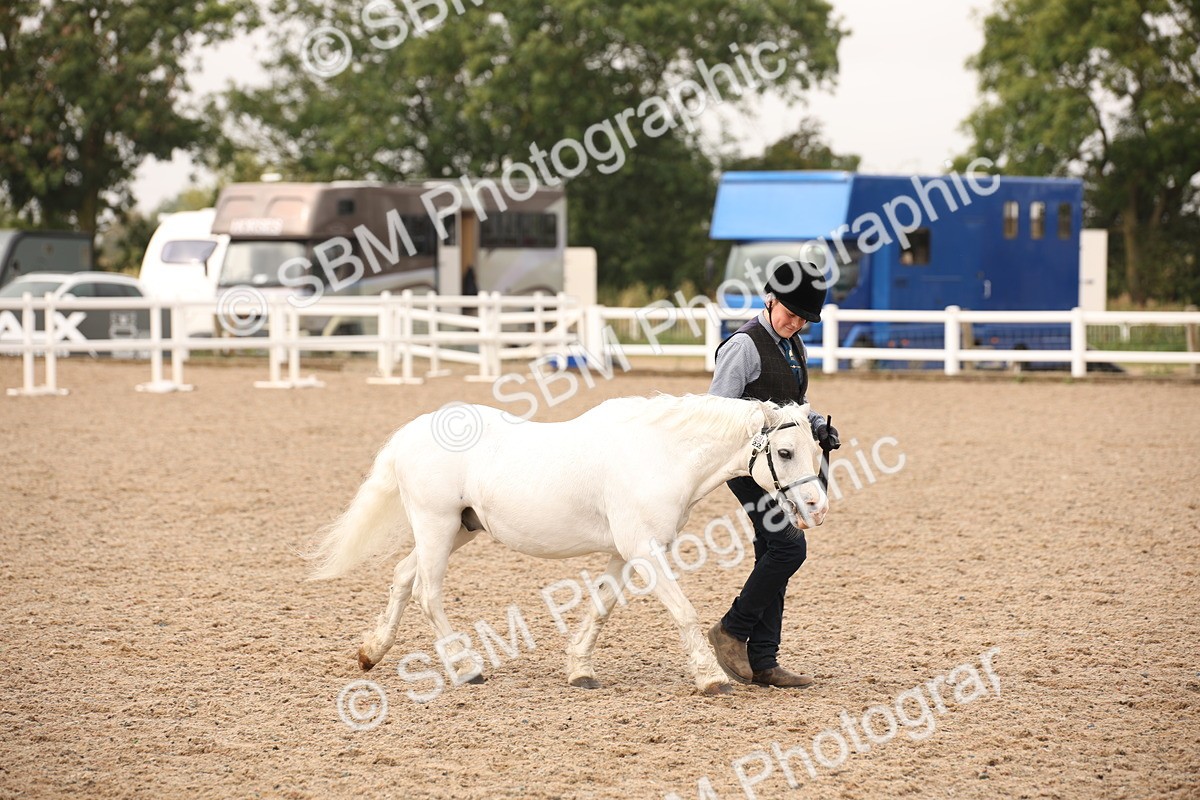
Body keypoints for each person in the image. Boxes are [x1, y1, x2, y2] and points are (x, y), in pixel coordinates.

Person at [706, 259, 840, 688]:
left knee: (773, 554)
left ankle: (764, 661)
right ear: (770, 299)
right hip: (747, 468)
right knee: (788, 548)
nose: (796, 322)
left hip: (782, 466)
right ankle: (731, 629)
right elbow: (717, 413)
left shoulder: (792, 344)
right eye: (791, 313)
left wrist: (817, 424)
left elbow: (794, 404)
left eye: (803, 318)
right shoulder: (743, 346)